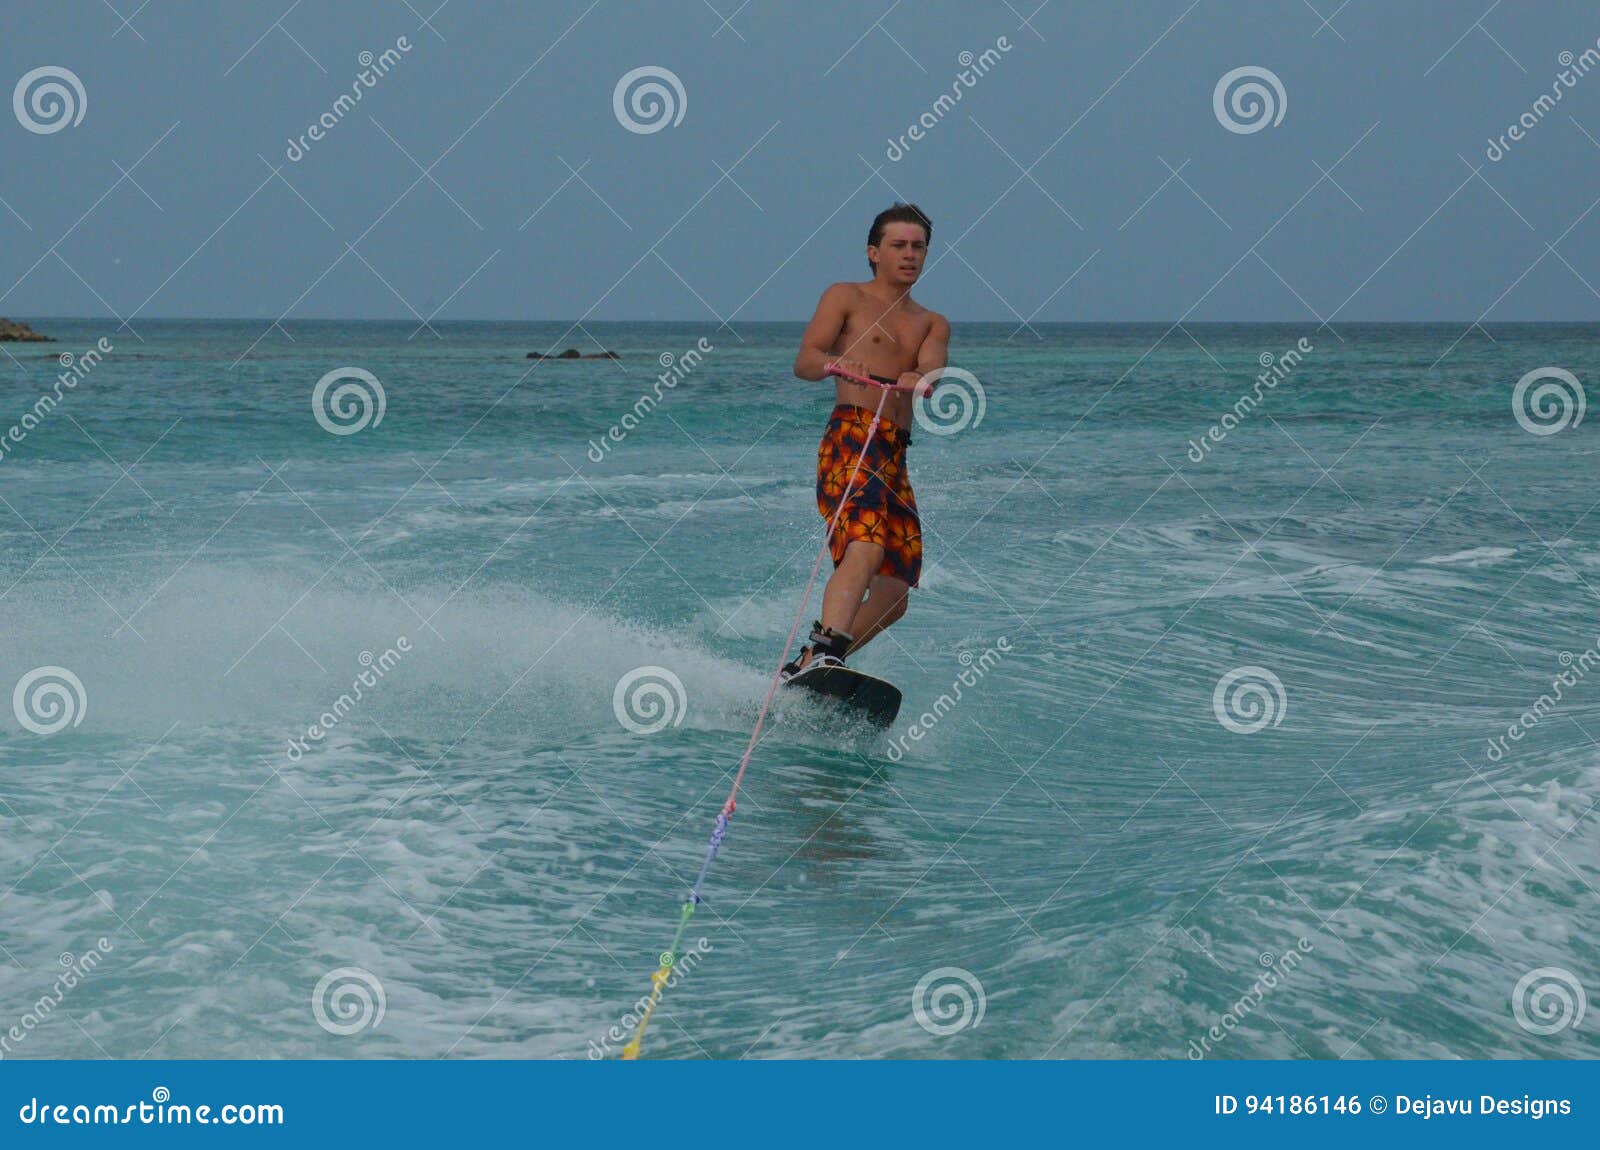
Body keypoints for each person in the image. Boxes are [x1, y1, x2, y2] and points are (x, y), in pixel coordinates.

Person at [784, 202, 950, 676]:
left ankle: (814, 663)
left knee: (895, 591)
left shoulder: (931, 322)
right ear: (874, 252)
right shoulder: (845, 296)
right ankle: (827, 648)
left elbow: (933, 368)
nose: (910, 254)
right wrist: (836, 364)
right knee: (866, 543)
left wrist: (919, 376)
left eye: (918, 247)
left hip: (894, 451)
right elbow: (805, 362)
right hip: (852, 437)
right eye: (899, 245)